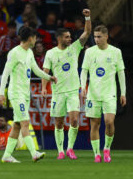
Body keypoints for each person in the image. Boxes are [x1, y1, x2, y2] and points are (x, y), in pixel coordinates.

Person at [0, 26, 57, 163]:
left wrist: (49, 78)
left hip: (25, 94)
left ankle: (7, 155)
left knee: (18, 125)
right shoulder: (14, 53)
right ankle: (34, 153)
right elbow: (5, 74)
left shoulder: (29, 53)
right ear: (30, 38)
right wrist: (1, 93)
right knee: (25, 122)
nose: (36, 40)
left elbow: (36, 70)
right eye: (35, 37)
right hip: (16, 93)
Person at [41, 9, 91, 160]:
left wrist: (87, 17)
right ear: (59, 38)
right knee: (59, 122)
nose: (70, 39)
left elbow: (87, 32)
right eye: (67, 37)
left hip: (72, 91)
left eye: (70, 37)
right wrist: (43, 87)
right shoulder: (50, 53)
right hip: (58, 93)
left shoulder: (75, 48)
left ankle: (70, 149)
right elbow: (45, 71)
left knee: (74, 120)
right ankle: (60, 151)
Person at [80, 25, 126, 163]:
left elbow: (121, 73)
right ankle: (96, 154)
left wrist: (123, 93)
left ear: (106, 36)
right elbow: (84, 71)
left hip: (109, 93)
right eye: (95, 37)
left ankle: (106, 149)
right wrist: (83, 87)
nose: (96, 39)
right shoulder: (89, 52)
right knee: (95, 124)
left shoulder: (116, 52)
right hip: (93, 94)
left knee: (109, 122)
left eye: (99, 37)